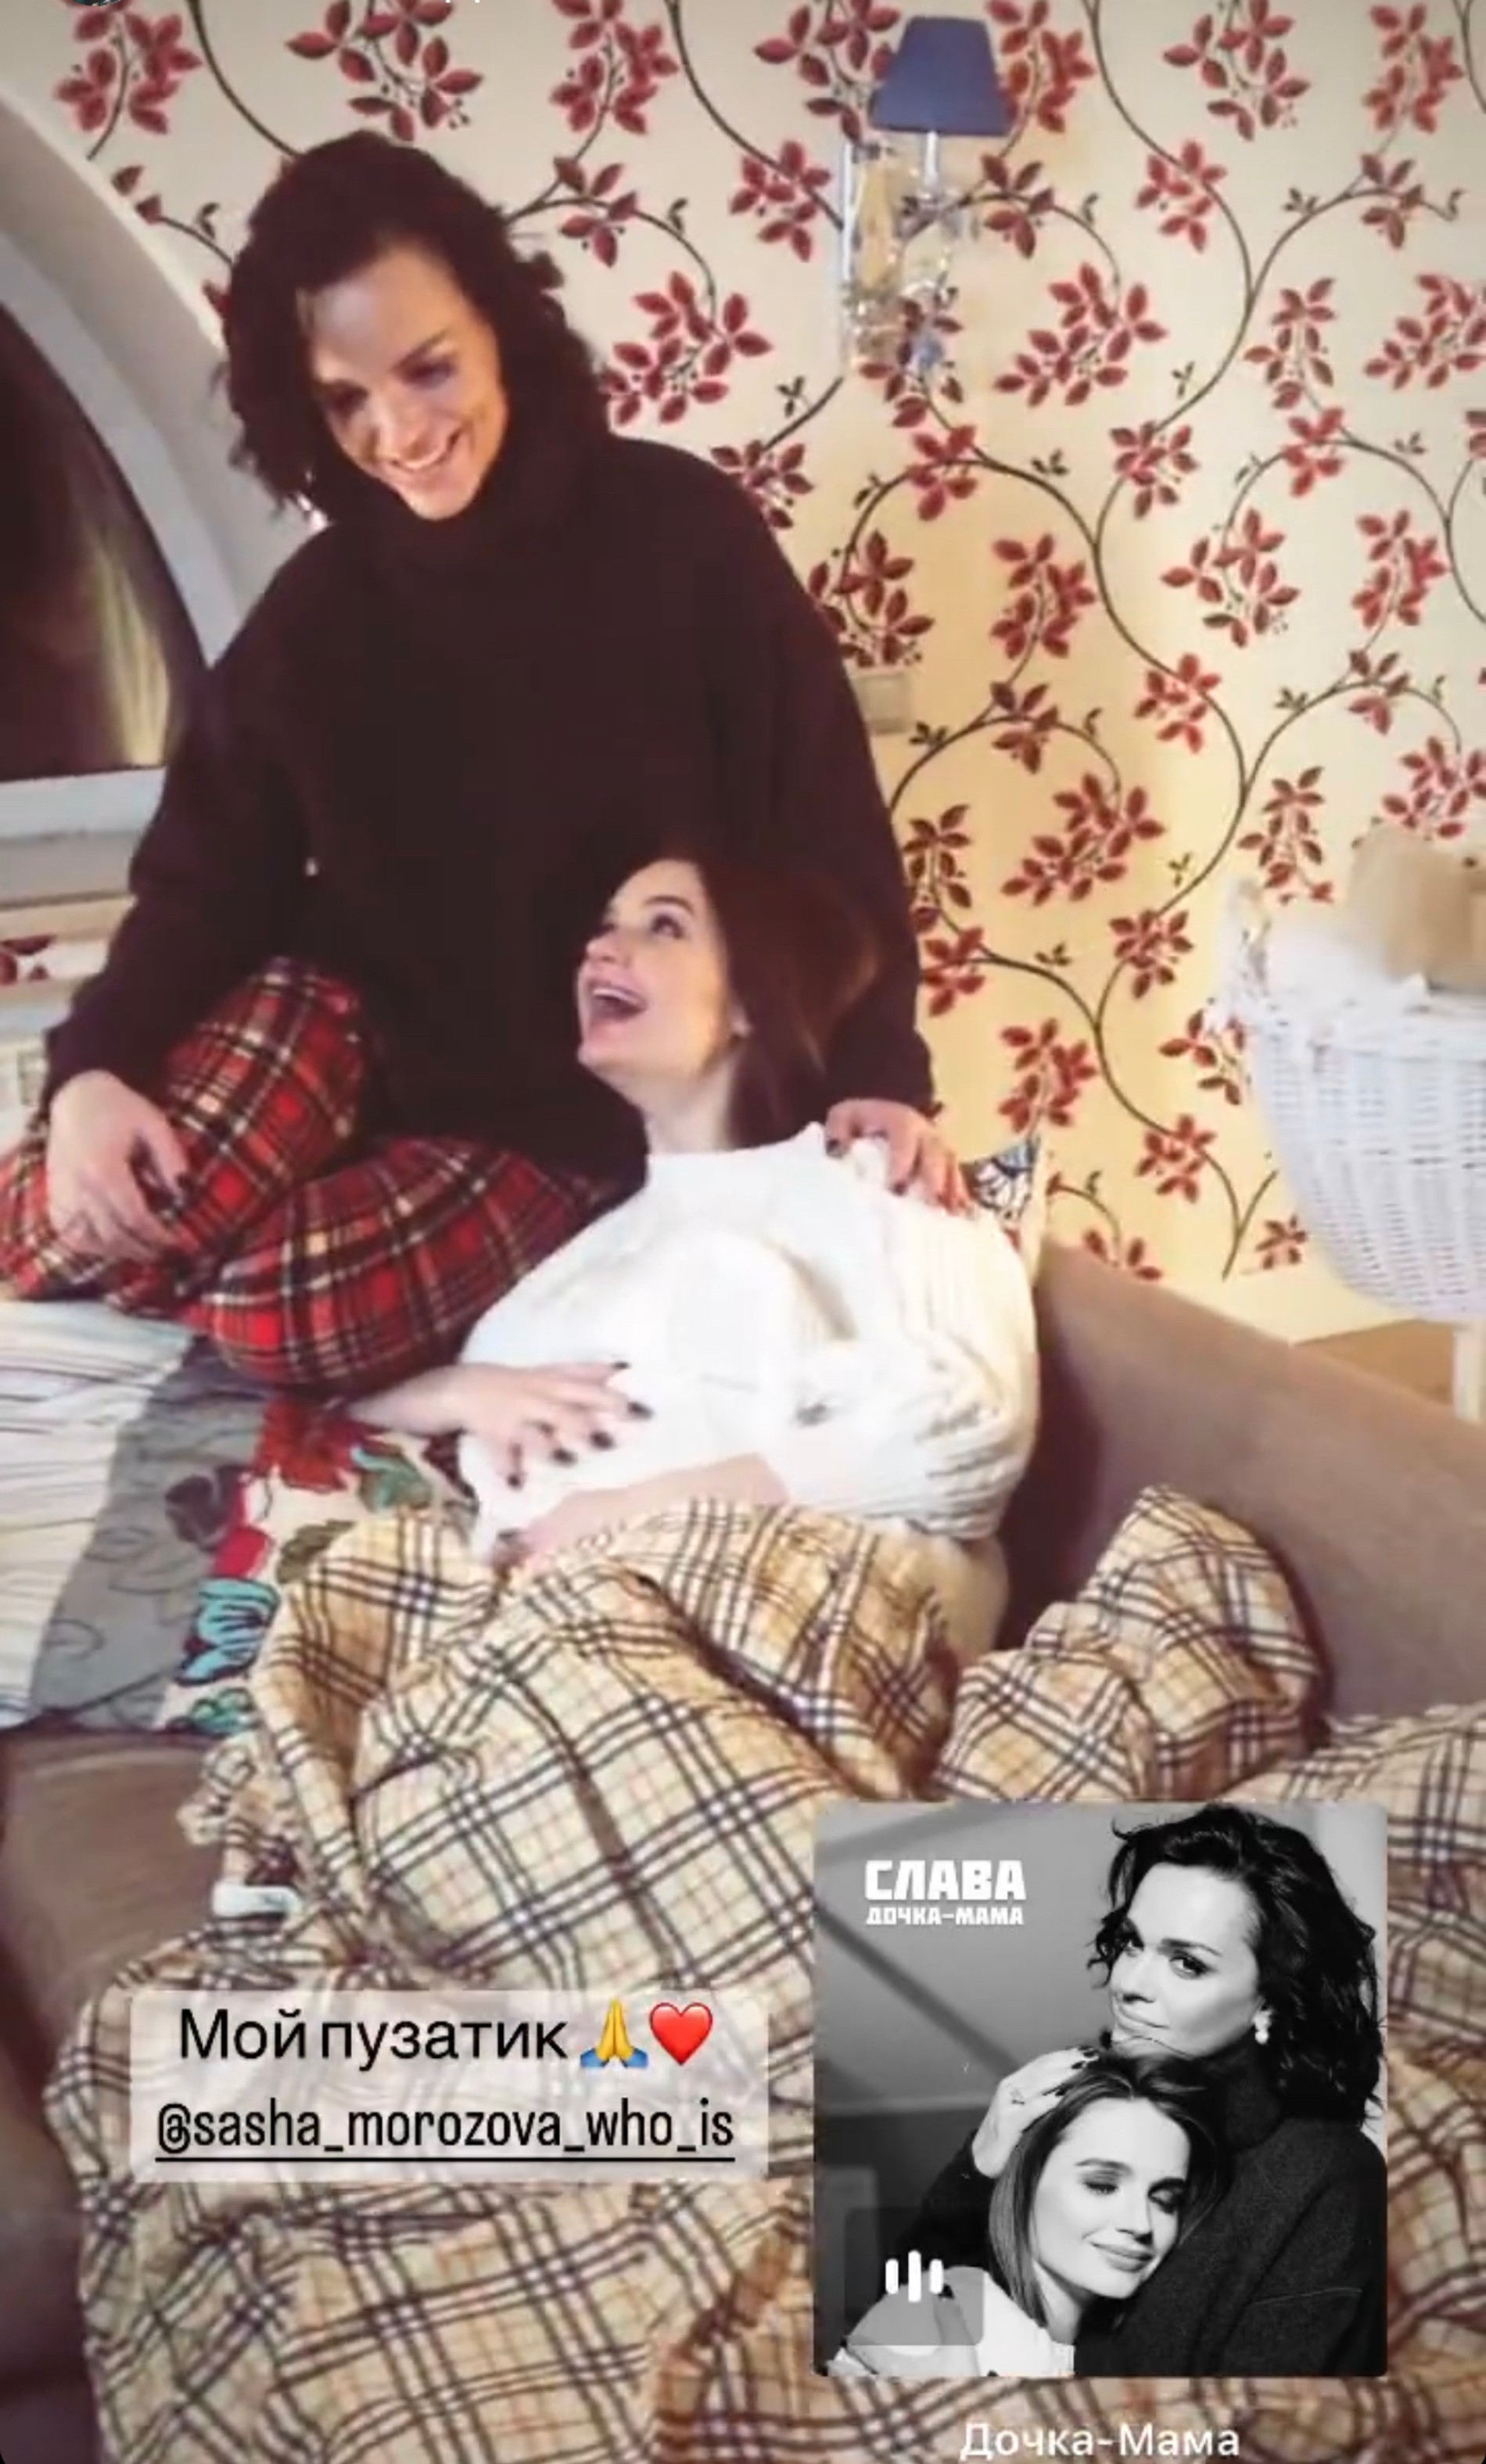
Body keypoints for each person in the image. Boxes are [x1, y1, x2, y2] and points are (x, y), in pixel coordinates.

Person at [0, 132, 957, 1394]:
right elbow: (203, 882)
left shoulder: (684, 536)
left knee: (272, 1320)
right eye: (345, 399)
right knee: (48, 1222)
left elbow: (826, 824)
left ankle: (302, 1291)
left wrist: (883, 1072)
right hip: (350, 1015)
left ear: (502, 329)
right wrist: (95, 1072)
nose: (398, 431)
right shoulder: (322, 609)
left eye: (429, 368)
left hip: (569, 1105)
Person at [355, 848, 1038, 1650]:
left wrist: (626, 1514)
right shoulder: (582, 1248)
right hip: (524, 1629)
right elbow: (341, 1409)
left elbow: (970, 1434)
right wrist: (459, 1392)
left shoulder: (876, 1180)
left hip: (762, 1616)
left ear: (751, 1000)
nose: (600, 949)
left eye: (664, 927)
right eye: (606, 926)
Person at [891, 1804, 1387, 2375]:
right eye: (1132, 1943)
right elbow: (903, 2333)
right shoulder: (1079, 2113)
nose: (1129, 1984)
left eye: (1187, 1963)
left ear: (1269, 2001)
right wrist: (976, 2171)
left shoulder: (1324, 2175)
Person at [830, 2051, 1226, 2380]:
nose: (1140, 2224)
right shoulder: (940, 2316)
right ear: (1026, 2183)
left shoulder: (1128, 2354)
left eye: (1165, 2200)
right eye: (1102, 2185)